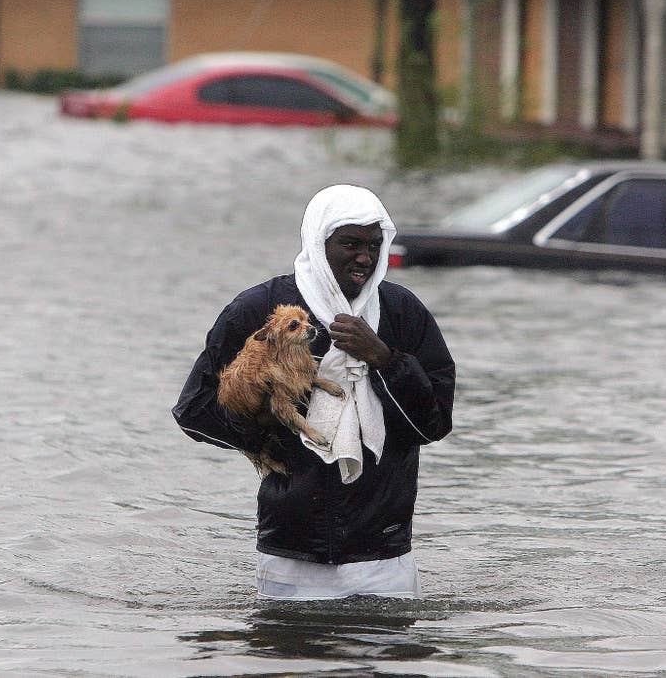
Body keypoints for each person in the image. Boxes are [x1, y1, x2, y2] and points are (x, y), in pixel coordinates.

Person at [172, 184, 455, 600]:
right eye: (351, 244)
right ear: (318, 243)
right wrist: (265, 427)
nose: (365, 257)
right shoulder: (261, 309)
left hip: (384, 552)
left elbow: (433, 424)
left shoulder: (401, 312)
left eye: (375, 245)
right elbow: (194, 410)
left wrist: (383, 358)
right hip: (290, 549)